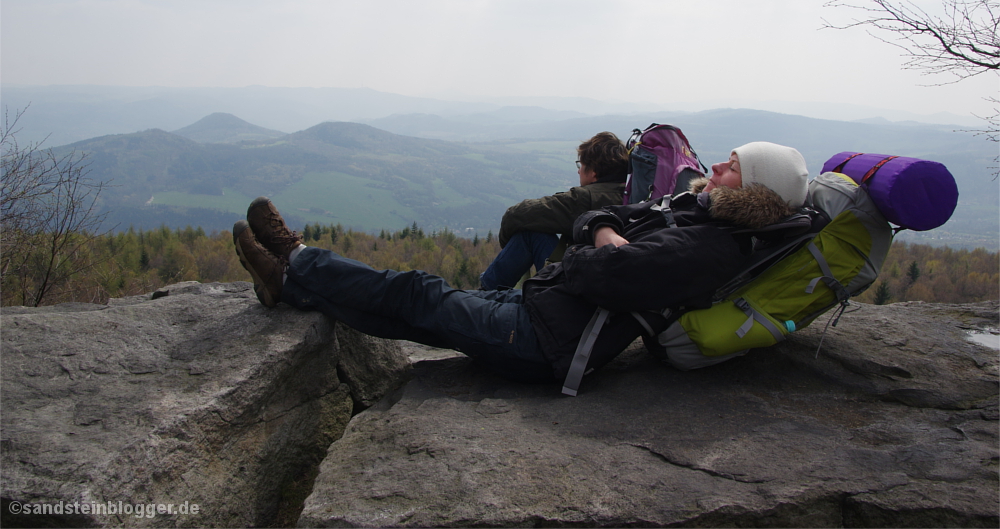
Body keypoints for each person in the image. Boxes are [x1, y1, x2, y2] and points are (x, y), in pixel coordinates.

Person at [233, 141, 810, 388]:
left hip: (548, 341)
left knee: (415, 293)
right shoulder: (698, 217)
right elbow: (595, 226)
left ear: (754, 189)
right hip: (545, 314)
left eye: (733, 166)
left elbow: (605, 269)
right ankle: (290, 283)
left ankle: (297, 258)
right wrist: (603, 234)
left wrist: (599, 241)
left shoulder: (712, 244)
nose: (717, 165)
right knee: (416, 313)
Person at [480, 131, 628, 291]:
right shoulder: (633, 195)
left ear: (593, 172)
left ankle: (484, 293)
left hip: (575, 289)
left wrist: (507, 246)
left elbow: (516, 214)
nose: (579, 171)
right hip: (607, 285)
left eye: (581, 165)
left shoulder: (585, 198)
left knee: (529, 235)